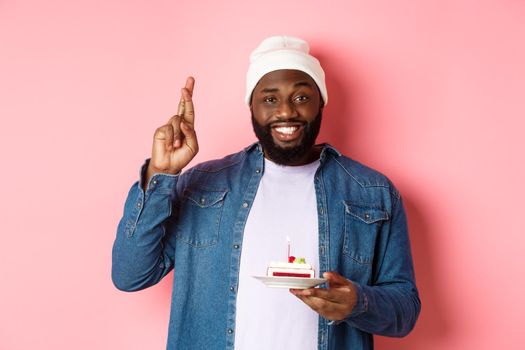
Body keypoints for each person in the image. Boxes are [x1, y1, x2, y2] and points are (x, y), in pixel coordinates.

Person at [112, 36, 421, 350]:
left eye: (301, 96)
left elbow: (405, 311)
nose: (286, 111)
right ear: (252, 105)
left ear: (321, 102)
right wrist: (162, 175)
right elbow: (131, 275)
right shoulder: (201, 186)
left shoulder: (373, 193)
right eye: (270, 99)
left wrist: (359, 302)